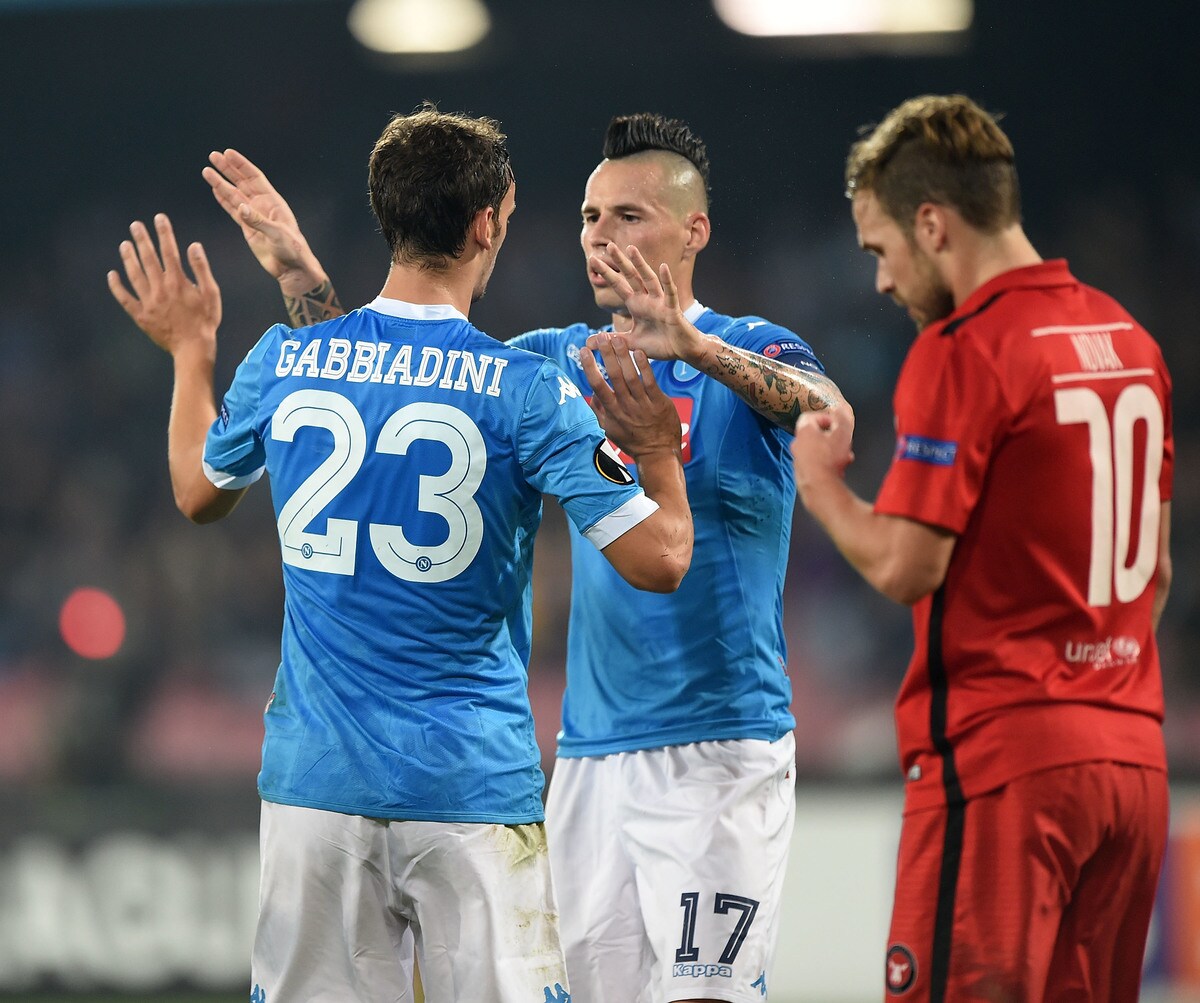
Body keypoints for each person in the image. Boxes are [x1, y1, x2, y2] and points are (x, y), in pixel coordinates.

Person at [202, 112, 848, 1003]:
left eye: (628, 216)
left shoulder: (751, 348)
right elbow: (398, 382)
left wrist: (695, 347)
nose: (599, 236)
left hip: (721, 750)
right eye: (589, 216)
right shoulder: (554, 363)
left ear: (693, 230)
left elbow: (829, 412)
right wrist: (304, 280)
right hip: (588, 754)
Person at [108, 106, 696, 1003]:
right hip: (470, 790)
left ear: (386, 214)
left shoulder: (288, 360)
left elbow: (197, 491)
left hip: (314, 791)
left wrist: (192, 349)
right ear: (487, 222)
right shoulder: (526, 391)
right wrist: (656, 450)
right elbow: (661, 559)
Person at [791, 94, 1173, 1002]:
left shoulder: (964, 348)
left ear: (933, 224)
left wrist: (822, 485)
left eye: (881, 249)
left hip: (1005, 770)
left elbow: (905, 564)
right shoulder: (1129, 339)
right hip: (1132, 762)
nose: (882, 282)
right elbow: (1154, 574)